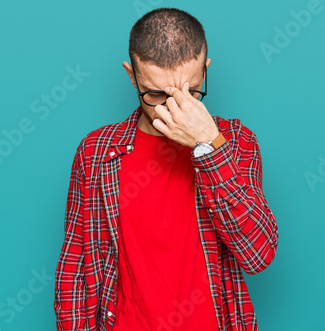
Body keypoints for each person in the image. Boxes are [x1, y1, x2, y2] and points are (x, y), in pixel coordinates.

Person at [54, 7, 278, 331]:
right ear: (132, 76)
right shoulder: (96, 153)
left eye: (190, 91)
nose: (174, 106)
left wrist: (206, 144)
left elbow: (258, 253)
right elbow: (76, 265)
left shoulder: (235, 142)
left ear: (206, 70)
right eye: (156, 93)